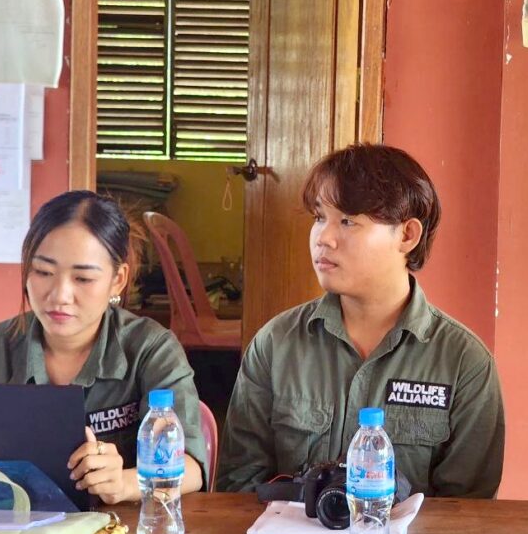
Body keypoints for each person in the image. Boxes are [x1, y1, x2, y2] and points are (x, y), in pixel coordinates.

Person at [216, 144, 504, 497]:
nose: (323, 238)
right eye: (319, 217)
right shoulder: (276, 344)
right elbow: (238, 487)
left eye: (348, 221)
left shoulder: (463, 362)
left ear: (407, 235)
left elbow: (469, 512)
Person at [0, 191, 206, 504]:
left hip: (119, 525)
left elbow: (191, 468)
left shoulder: (150, 349)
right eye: (43, 272)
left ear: (118, 279)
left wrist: (123, 484)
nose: (60, 295)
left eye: (83, 278)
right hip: (4, 523)